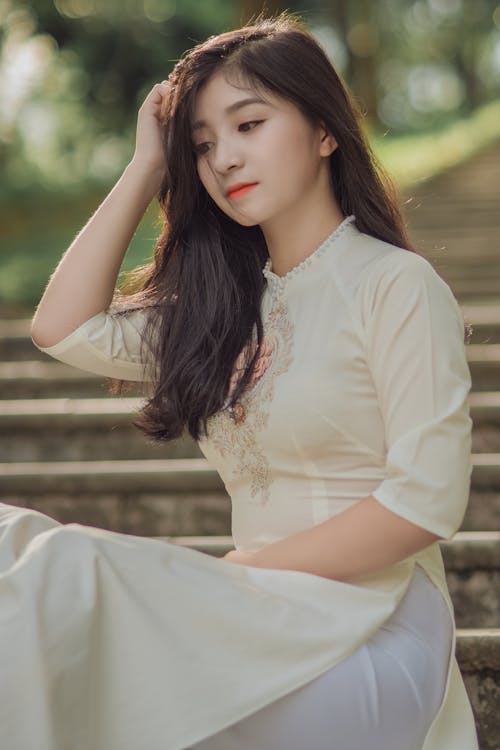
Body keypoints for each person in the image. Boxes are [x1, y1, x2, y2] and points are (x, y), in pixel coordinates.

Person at [5, 9, 475, 750]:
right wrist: (144, 167)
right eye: (200, 144)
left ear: (325, 132)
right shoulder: (221, 309)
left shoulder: (395, 286)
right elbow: (63, 330)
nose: (223, 158)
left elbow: (425, 503)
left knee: (65, 571)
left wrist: (244, 571)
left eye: (248, 125)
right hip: (253, 618)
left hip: (369, 631)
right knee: (11, 545)